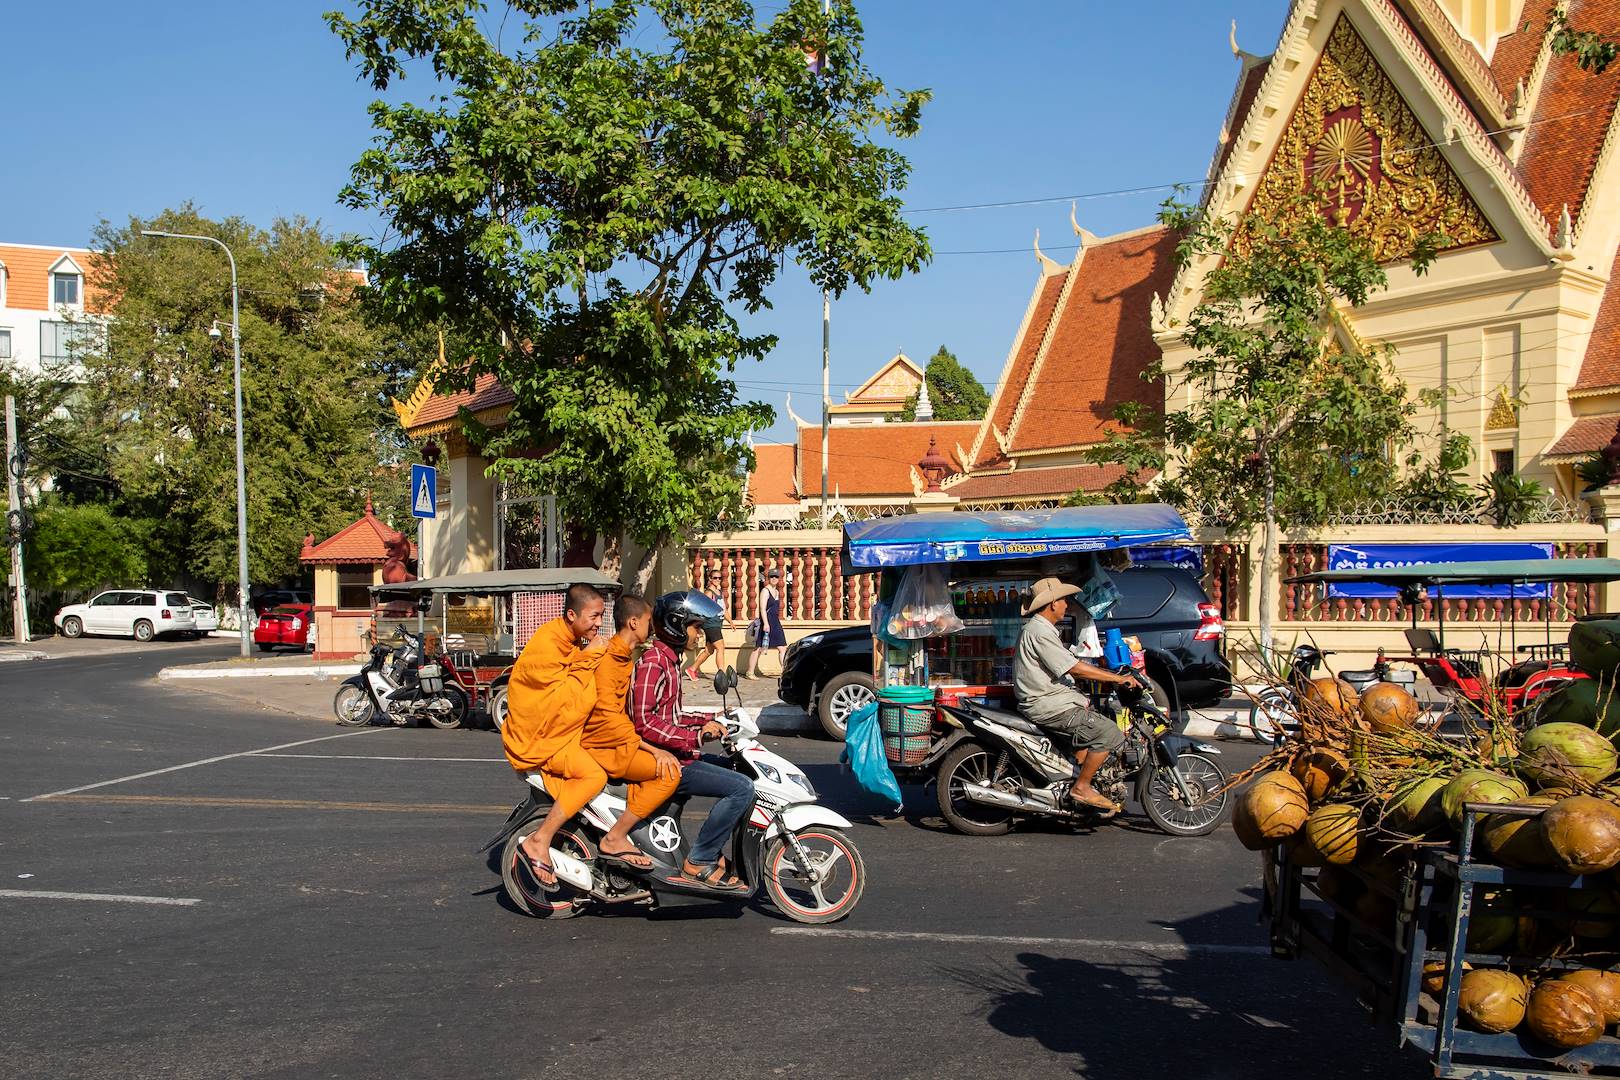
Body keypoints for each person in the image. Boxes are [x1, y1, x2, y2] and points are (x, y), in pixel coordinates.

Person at [633, 590, 756, 892]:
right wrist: (695, 736)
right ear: (677, 625)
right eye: (696, 628)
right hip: (664, 760)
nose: (699, 635)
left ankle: (709, 850)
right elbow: (644, 721)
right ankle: (701, 859)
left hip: (676, 753)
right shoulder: (654, 663)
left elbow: (671, 716)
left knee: (739, 771)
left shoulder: (669, 661)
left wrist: (708, 719)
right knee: (742, 788)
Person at [504, 583, 610, 891]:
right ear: (572, 614)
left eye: (602, 616)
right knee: (593, 776)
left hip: (559, 732)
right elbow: (559, 701)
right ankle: (541, 839)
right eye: (594, 616)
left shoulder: (571, 640)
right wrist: (590, 658)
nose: (599, 623)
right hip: (540, 738)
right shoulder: (548, 644)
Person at [1014, 575, 1141, 813]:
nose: (1067, 605)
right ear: (1052, 604)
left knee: (1091, 723)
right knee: (1108, 732)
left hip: (1055, 700)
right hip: (1047, 704)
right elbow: (1074, 668)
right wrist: (1117, 678)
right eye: (1064, 600)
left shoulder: (1043, 629)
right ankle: (1081, 787)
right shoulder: (1039, 631)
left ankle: (1079, 782)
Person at [581, 593, 682, 871]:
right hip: (604, 745)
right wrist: (652, 748)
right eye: (650, 621)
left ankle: (637, 835)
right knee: (670, 773)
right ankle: (615, 837)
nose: (653, 628)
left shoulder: (624, 657)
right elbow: (607, 716)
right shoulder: (609, 659)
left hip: (621, 740)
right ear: (634, 622)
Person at [684, 571, 728, 682]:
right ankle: (722, 675)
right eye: (715, 578)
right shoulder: (709, 593)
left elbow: (723, 610)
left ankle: (692, 669)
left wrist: (731, 622)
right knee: (721, 648)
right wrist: (698, 626)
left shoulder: (719, 592)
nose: (718, 580)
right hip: (711, 624)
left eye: (719, 577)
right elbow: (702, 610)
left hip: (717, 624)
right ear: (710, 579)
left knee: (709, 650)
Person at [744, 568, 786, 680]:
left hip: (775, 622)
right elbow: (762, 609)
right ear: (768, 578)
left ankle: (785, 672)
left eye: (776, 577)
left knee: (782, 647)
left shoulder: (777, 592)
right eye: (772, 576)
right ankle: (750, 672)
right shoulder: (765, 591)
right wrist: (766, 624)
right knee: (758, 648)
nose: (774, 578)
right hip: (766, 622)